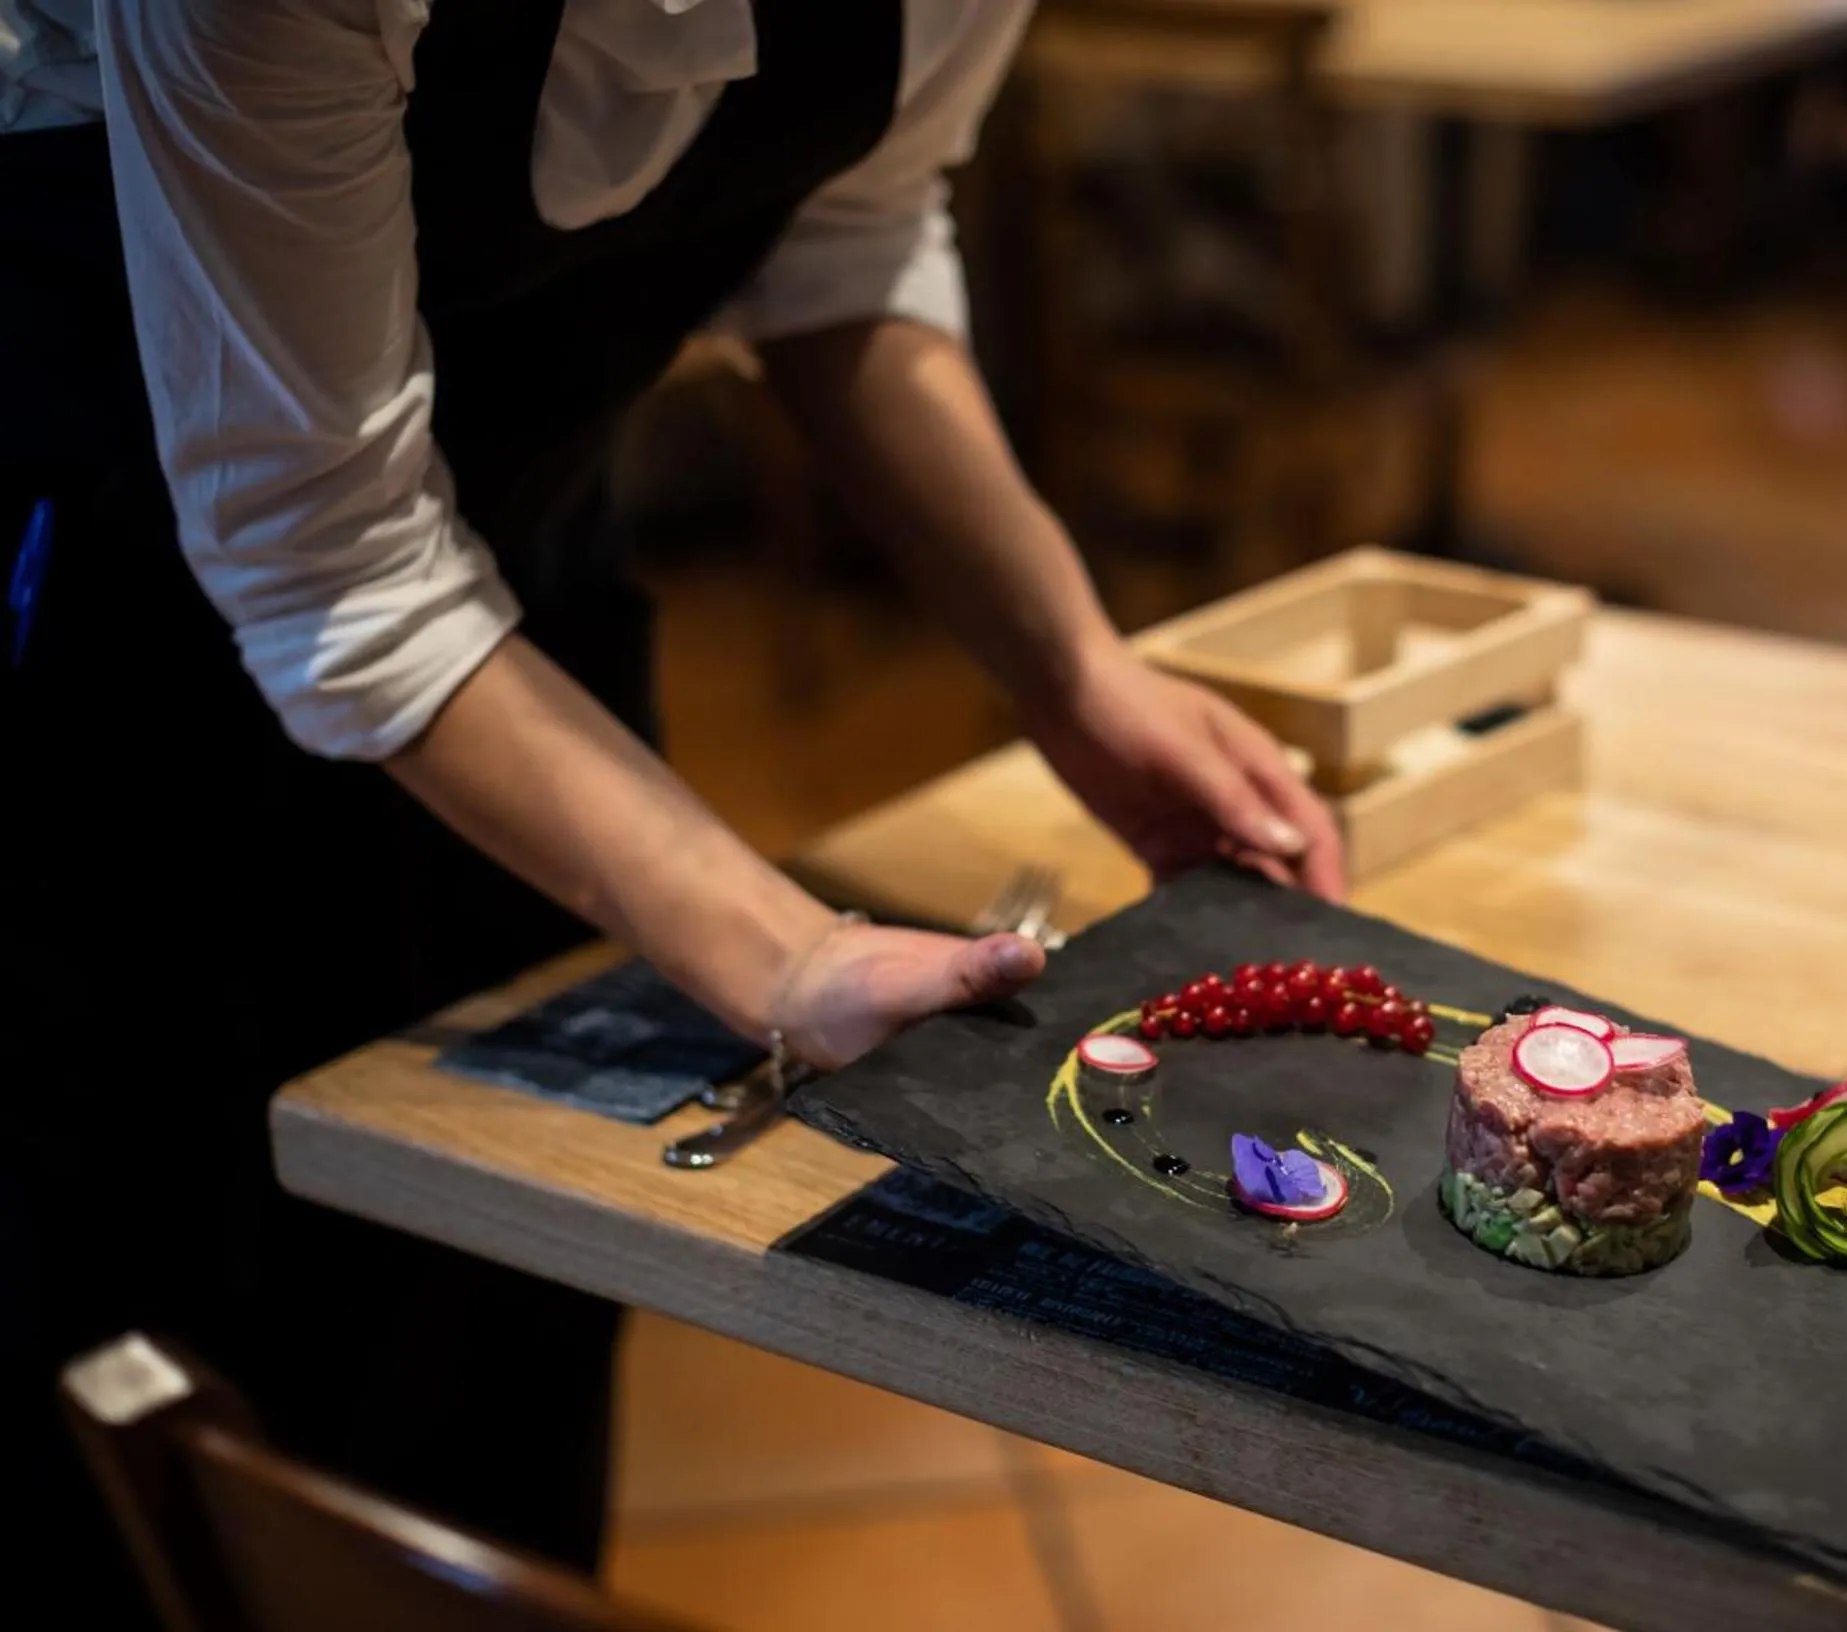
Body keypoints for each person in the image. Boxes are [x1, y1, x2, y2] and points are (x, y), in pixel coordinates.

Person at [0, 1, 1343, 1618]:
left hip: (516, 644)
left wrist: (1075, 672)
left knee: (505, 1350)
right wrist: (785, 954)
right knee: (166, 1394)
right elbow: (325, 556)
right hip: (103, 665)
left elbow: (847, 241)